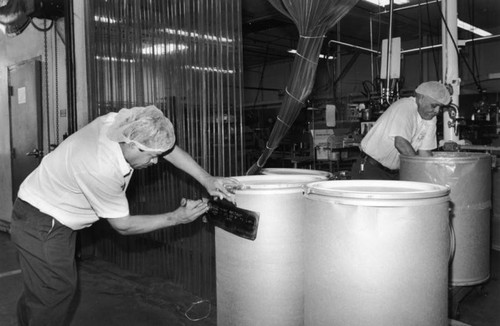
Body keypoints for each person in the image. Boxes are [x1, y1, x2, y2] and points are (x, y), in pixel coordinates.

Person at [9, 105, 240, 326]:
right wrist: (177, 217)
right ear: (132, 146)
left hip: (53, 211)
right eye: (151, 157)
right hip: (43, 221)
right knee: (55, 292)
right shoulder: (100, 165)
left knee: (44, 291)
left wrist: (206, 179)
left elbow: (163, 147)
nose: (156, 162)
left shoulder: (125, 124)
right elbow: (123, 225)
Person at [350, 81, 451, 180]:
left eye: (440, 107)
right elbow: (401, 143)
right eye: (434, 105)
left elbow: (424, 153)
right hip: (371, 169)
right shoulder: (405, 107)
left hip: (395, 174)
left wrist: (436, 177)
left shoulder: (431, 118)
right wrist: (419, 171)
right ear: (421, 99)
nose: (437, 111)